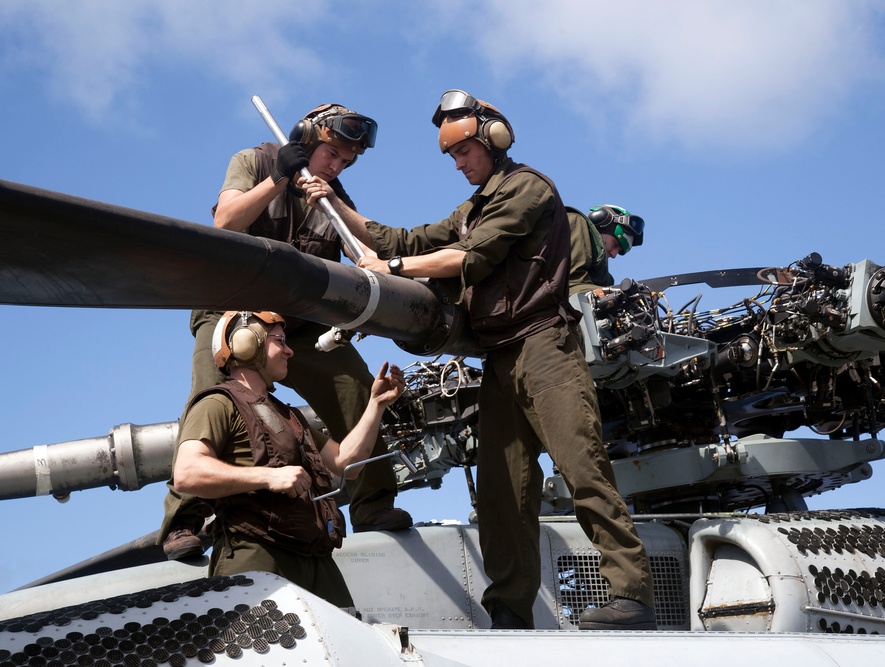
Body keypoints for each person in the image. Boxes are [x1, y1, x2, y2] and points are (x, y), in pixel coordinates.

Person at [323, 89, 656, 631]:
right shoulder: (471, 208)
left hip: (544, 347)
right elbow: (404, 237)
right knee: (501, 491)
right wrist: (332, 198)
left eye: (463, 153)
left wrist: (394, 265)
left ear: (492, 139)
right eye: (451, 157)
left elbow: (472, 259)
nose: (457, 165)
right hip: (499, 359)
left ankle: (631, 594)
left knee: (581, 469)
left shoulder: (528, 188)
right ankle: (509, 611)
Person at [159, 103, 412, 561]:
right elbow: (226, 221)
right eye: (332, 154)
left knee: (356, 387)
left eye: (346, 162)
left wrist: (335, 206)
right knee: (211, 397)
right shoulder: (255, 162)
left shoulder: (335, 197)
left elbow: (366, 256)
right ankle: (185, 519)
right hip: (230, 314)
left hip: (296, 327)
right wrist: (278, 175)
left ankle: (374, 503)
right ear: (308, 137)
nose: (336, 167)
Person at [172, 310, 404, 606]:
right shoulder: (217, 404)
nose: (290, 350)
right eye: (280, 341)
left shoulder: (290, 417)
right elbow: (188, 472)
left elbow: (347, 462)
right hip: (258, 555)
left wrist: (376, 405)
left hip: (315, 559)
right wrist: (269, 477)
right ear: (247, 343)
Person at [567, 204, 645, 295]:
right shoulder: (576, 221)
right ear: (600, 220)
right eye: (615, 244)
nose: (614, 255)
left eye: (619, 251)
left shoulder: (605, 278)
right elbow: (571, 281)